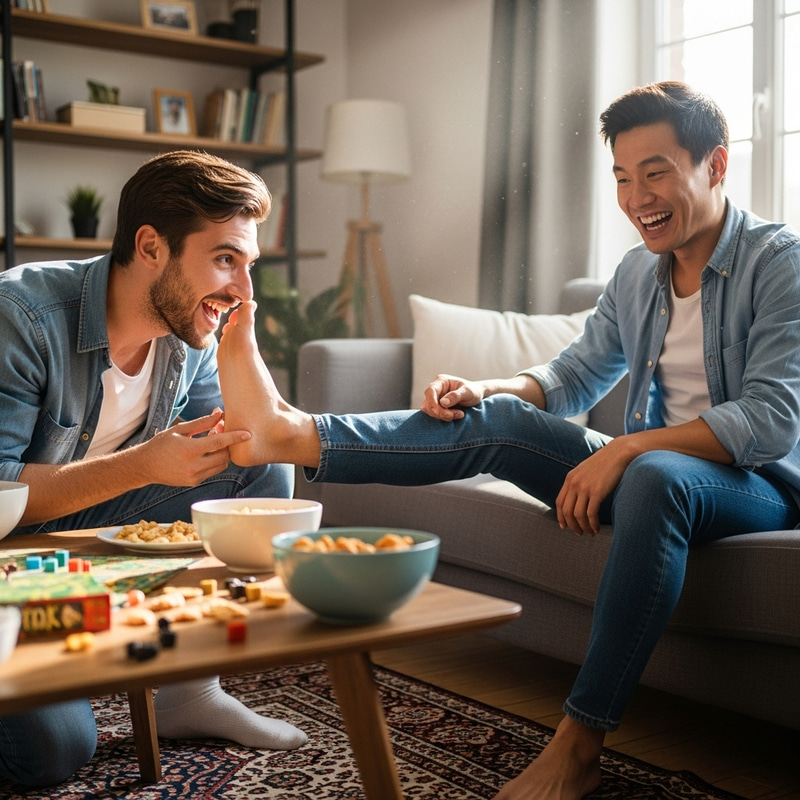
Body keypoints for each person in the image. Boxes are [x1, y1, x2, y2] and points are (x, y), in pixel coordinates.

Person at [215, 81, 800, 800]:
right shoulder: (634, 273)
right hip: (655, 475)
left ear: (715, 165)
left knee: (652, 475)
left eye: (656, 172)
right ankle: (295, 435)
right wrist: (492, 390)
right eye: (622, 176)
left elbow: (770, 421)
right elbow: (576, 377)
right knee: (496, 422)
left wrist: (622, 449)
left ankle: (580, 745)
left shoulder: (780, 262)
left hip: (755, 485)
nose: (636, 195)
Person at [0, 150, 307, 788]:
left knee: (252, 475)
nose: (242, 289)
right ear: (150, 246)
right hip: (6, 543)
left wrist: (239, 340)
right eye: (225, 259)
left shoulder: (186, 328)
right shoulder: (21, 319)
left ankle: (188, 693)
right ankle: (60, 626)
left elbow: (239, 446)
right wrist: (144, 465)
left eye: (248, 266)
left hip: (59, 537)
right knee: (52, 752)